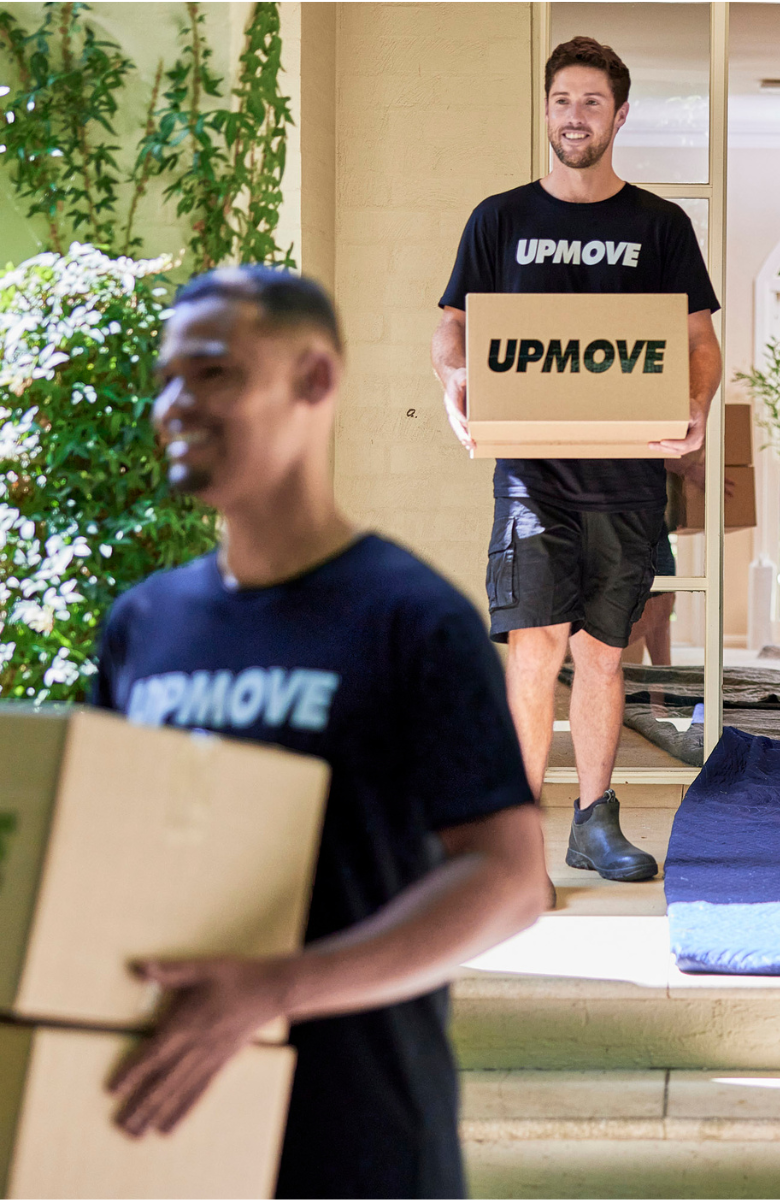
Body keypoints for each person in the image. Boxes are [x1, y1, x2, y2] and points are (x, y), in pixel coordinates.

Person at [92, 267, 546, 1198]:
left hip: (361, 1135)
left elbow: (508, 884)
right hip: (172, 1126)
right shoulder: (144, 626)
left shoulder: (412, 620)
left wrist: (273, 988)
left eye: (213, 373)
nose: (177, 403)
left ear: (314, 382)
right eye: (168, 377)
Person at [433, 37, 722, 881]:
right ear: (548, 109)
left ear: (619, 115)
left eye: (592, 102)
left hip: (627, 477)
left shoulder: (658, 226)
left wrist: (698, 404)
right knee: (535, 647)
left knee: (603, 651)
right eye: (563, 99)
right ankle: (518, 839)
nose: (575, 115)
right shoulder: (501, 219)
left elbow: (697, 339)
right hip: (532, 474)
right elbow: (452, 322)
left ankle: (595, 825)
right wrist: (456, 377)